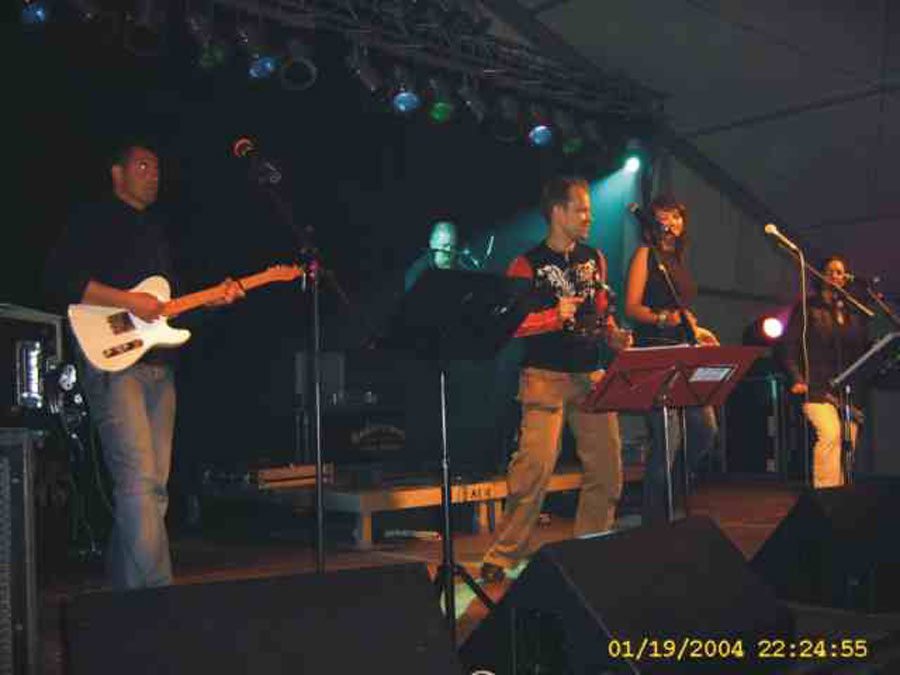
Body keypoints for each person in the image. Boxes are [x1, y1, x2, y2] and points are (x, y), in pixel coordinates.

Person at [43, 141, 245, 589]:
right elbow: (60, 278)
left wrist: (213, 300)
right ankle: (156, 595)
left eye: (156, 168)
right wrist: (129, 301)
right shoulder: (94, 219)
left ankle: (124, 595)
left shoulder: (158, 231)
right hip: (114, 364)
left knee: (154, 488)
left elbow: (167, 309)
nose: (153, 175)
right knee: (137, 482)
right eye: (142, 166)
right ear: (117, 173)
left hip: (159, 366)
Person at [480, 177, 630, 583]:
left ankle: (591, 547)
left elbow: (600, 311)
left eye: (589, 210)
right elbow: (509, 325)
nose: (589, 217)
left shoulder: (594, 257)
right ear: (558, 212)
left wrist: (613, 334)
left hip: (590, 373)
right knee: (534, 469)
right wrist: (552, 317)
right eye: (581, 210)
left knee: (608, 469)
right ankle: (504, 553)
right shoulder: (526, 264)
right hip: (544, 376)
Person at [623, 194, 719, 526]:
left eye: (676, 216)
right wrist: (663, 318)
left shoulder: (677, 260)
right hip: (655, 352)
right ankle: (655, 521)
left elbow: (682, 312)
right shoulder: (645, 254)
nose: (671, 222)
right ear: (652, 222)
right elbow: (632, 307)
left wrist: (698, 331)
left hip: (684, 350)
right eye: (664, 216)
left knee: (705, 430)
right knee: (668, 439)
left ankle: (672, 496)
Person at [777, 255, 870, 488]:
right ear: (820, 275)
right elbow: (788, 346)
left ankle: (842, 494)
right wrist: (797, 378)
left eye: (840, 272)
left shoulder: (853, 312)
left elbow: (861, 350)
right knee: (830, 434)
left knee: (848, 441)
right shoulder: (807, 308)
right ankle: (826, 495)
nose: (836, 276)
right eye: (831, 271)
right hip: (816, 387)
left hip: (846, 390)